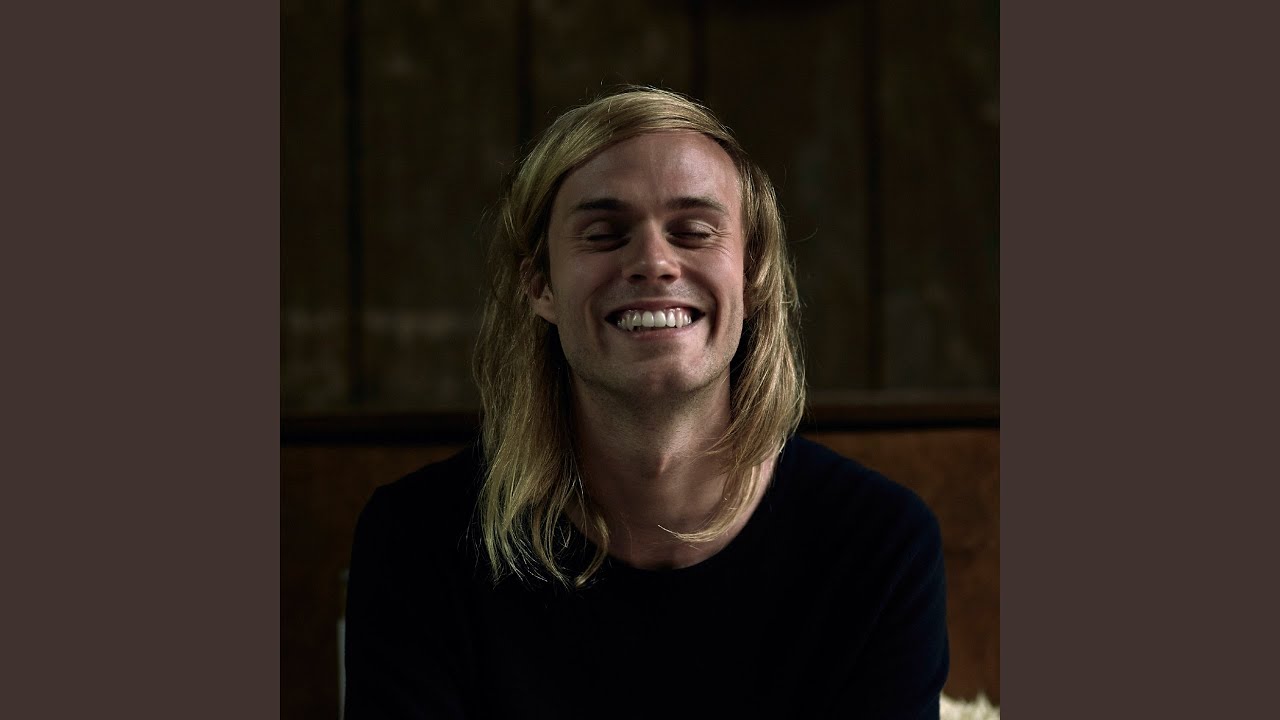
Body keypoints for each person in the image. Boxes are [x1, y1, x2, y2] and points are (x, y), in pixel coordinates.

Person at [343, 87, 949, 718]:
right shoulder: (418, 538)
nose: (654, 262)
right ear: (540, 284)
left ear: (752, 275)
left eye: (694, 232)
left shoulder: (880, 543)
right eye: (604, 234)